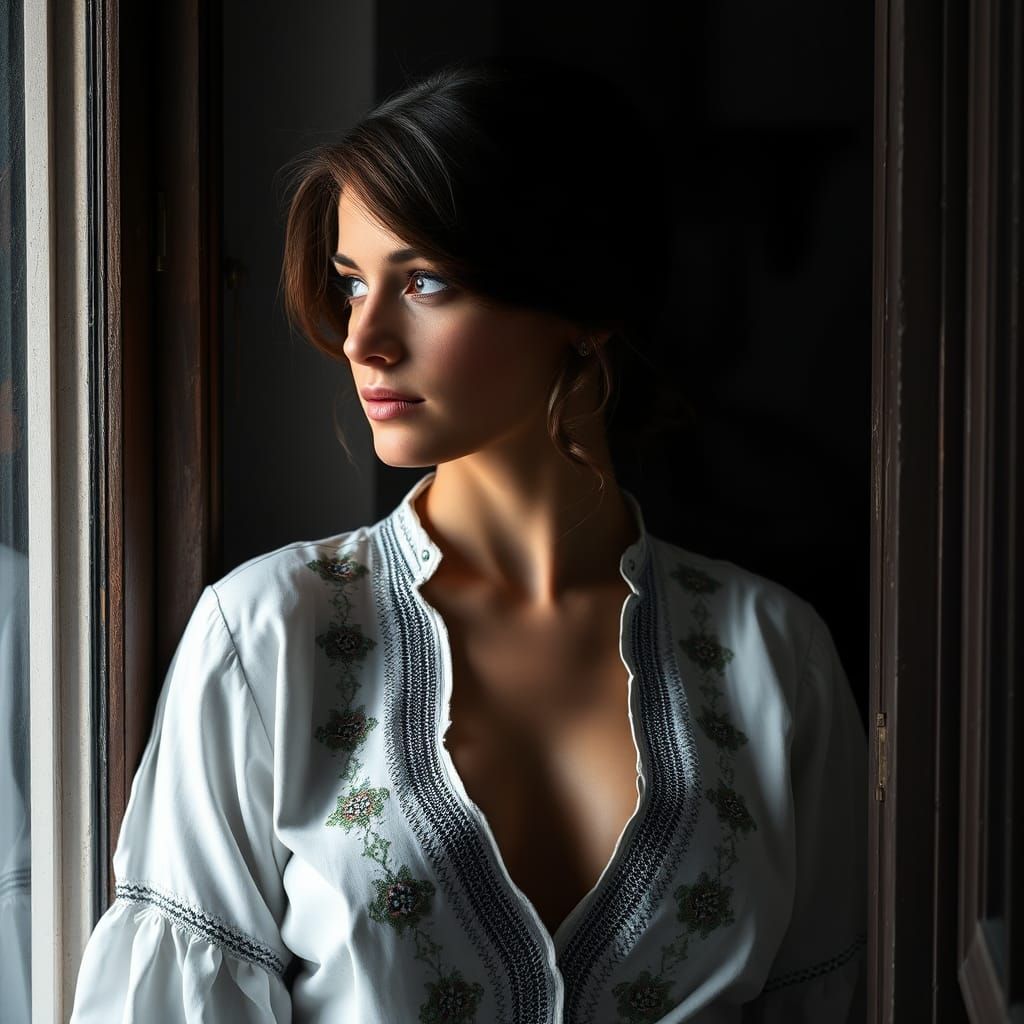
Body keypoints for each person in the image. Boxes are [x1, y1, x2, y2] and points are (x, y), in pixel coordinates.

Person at [69, 54, 867, 1023]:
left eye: (425, 281)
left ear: (582, 307)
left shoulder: (775, 660)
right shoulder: (267, 641)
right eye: (352, 283)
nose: (362, 339)